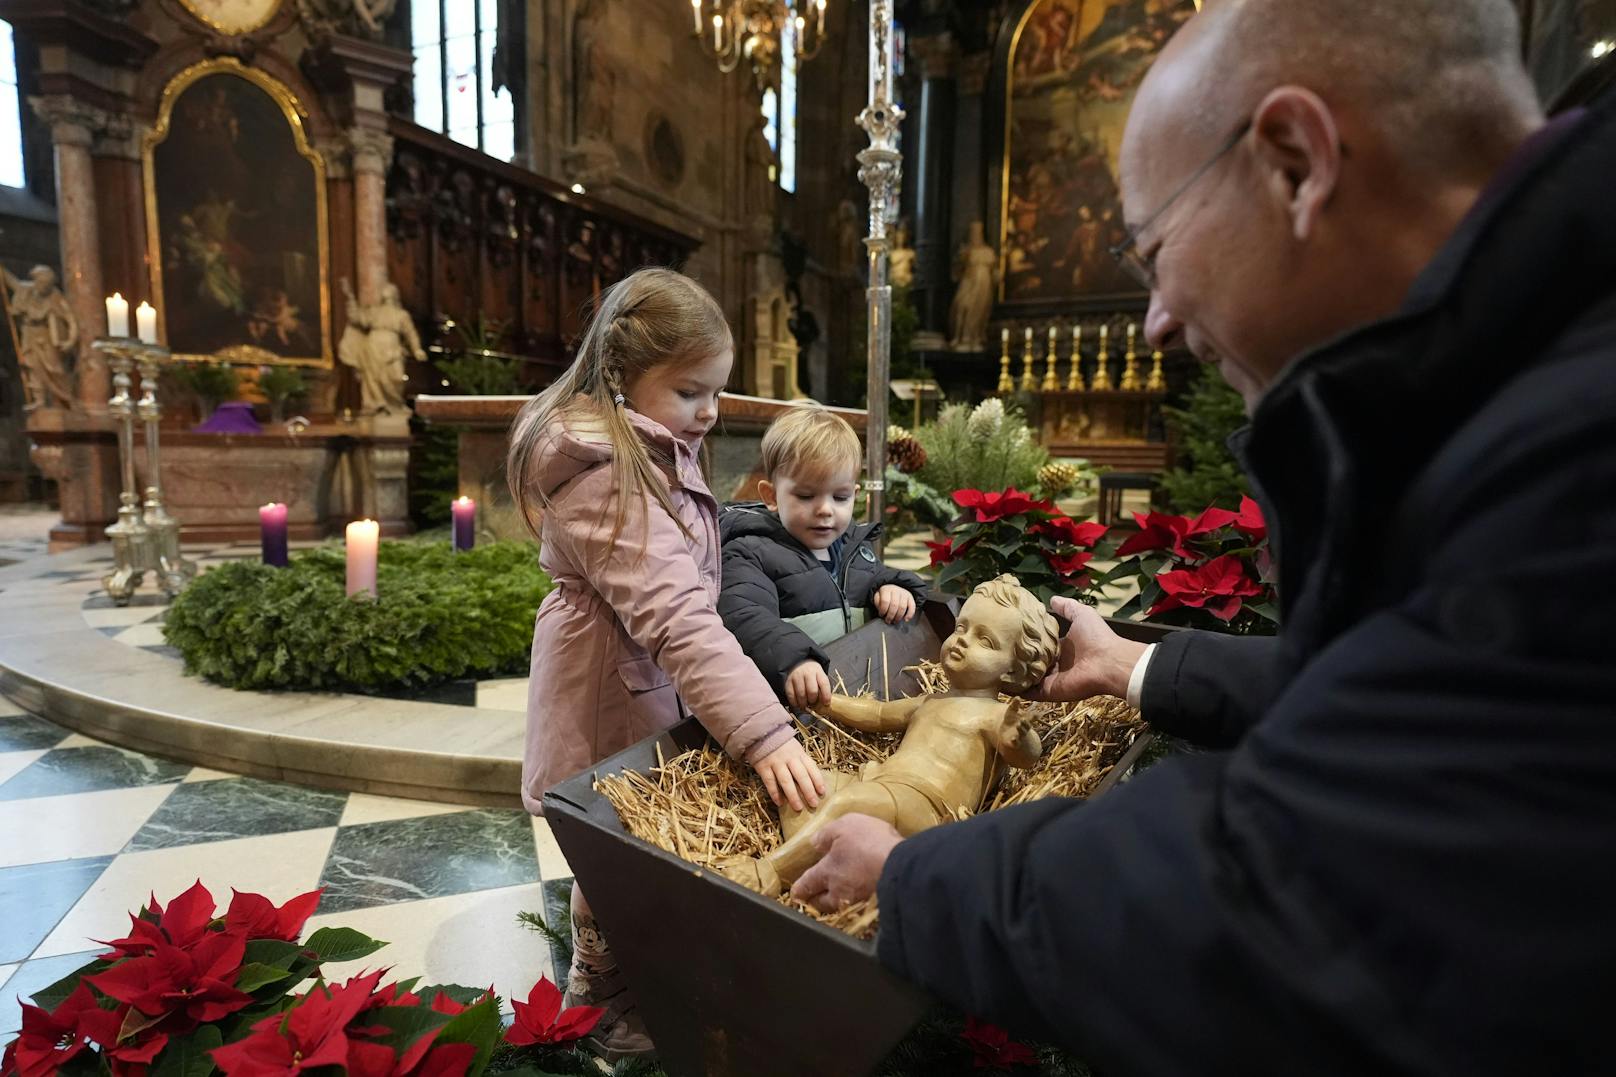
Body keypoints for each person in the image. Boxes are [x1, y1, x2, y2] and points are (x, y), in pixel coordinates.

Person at [791, 1, 1616, 1072]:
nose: (1158, 322)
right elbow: (1421, 696)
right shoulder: (1540, 370)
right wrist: (1143, 666)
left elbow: (1302, 893)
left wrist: (912, 878)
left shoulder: (1570, 443)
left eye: (1153, 252)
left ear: (1292, 161)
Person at [506, 267, 826, 1058]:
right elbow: (677, 616)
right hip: (606, 693)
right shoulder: (606, 478)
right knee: (613, 854)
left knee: (632, 847)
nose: (710, 412)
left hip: (633, 677)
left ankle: (628, 980)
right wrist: (764, 733)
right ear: (622, 378)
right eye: (691, 392)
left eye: (716, 391)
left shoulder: (643, 447)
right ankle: (600, 1006)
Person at [721, 575, 1055, 897]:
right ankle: (822, 860)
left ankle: (773, 872)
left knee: (847, 804)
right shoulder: (930, 701)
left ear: (1012, 669)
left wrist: (1019, 738)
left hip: (924, 806)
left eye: (985, 641)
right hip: (881, 783)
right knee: (800, 786)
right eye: (961, 628)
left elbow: (1027, 757)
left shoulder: (995, 716)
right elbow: (878, 714)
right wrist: (826, 702)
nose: (963, 640)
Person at [717, 403, 928, 709]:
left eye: (840, 497)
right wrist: (794, 659)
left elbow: (873, 578)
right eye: (805, 496)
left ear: (855, 494)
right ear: (771, 496)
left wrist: (894, 588)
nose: (825, 509)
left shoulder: (854, 547)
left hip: (858, 695)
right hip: (793, 706)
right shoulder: (751, 552)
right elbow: (745, 617)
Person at [2, 265, 78, 411]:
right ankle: (40, 400)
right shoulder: (27, 290)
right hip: (30, 334)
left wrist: (70, 341)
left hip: (47, 338)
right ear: (36, 282)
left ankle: (67, 399)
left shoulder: (56, 297)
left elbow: (71, 320)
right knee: (33, 367)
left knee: (54, 369)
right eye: (41, 283)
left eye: (47, 285)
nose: (43, 287)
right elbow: (11, 281)